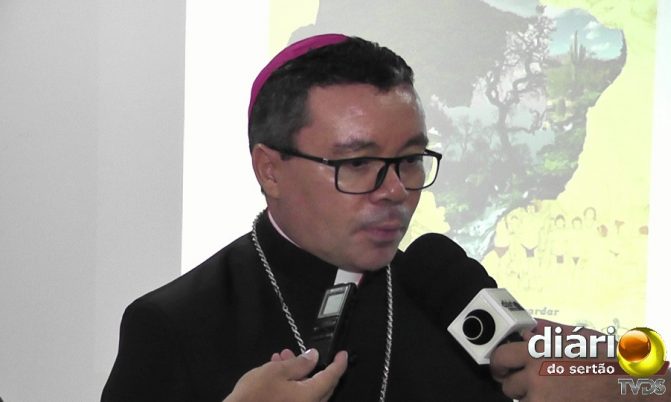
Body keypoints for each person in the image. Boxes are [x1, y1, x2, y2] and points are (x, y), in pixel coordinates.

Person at [102, 34, 509, 402]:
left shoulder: (452, 301)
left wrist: (550, 372)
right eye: (358, 163)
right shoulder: (173, 326)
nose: (395, 190)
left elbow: (533, 370)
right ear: (270, 171)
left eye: (411, 159)